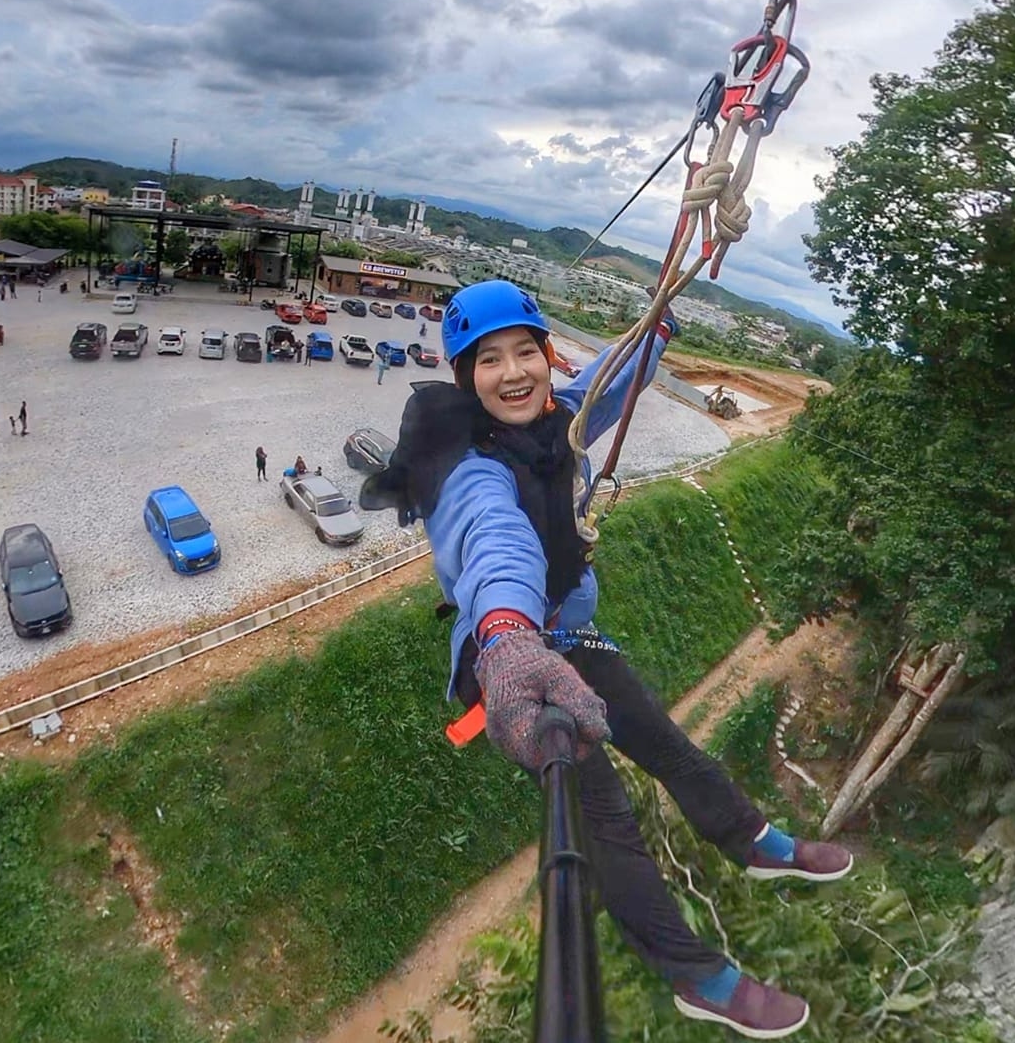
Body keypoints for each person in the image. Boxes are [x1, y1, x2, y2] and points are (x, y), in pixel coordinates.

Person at [359, 281, 851, 1039]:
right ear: (464, 378)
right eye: (489, 360)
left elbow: (604, 388)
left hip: (562, 638)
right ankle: (699, 976)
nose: (514, 370)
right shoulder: (469, 472)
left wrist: (657, 325)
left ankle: (753, 841)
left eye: (527, 350)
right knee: (605, 819)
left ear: (548, 356)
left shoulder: (556, 420)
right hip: (510, 663)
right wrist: (509, 639)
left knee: (665, 741)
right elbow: (498, 549)